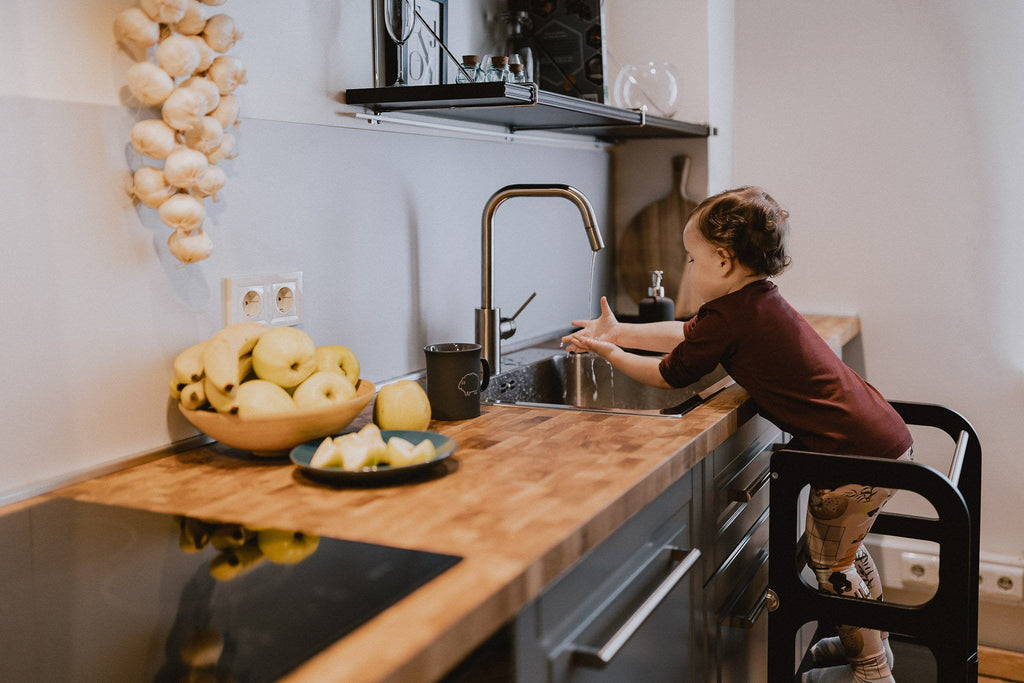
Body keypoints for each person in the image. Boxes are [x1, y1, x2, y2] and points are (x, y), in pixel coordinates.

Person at [563, 186, 912, 683]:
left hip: (852, 455)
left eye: (691, 258)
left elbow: (670, 373)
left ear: (723, 261)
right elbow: (689, 334)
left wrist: (614, 356)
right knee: (846, 555)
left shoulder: (731, 315)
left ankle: (872, 670)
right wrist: (617, 332)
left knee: (831, 565)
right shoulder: (754, 301)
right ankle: (872, 641)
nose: (688, 267)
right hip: (880, 440)